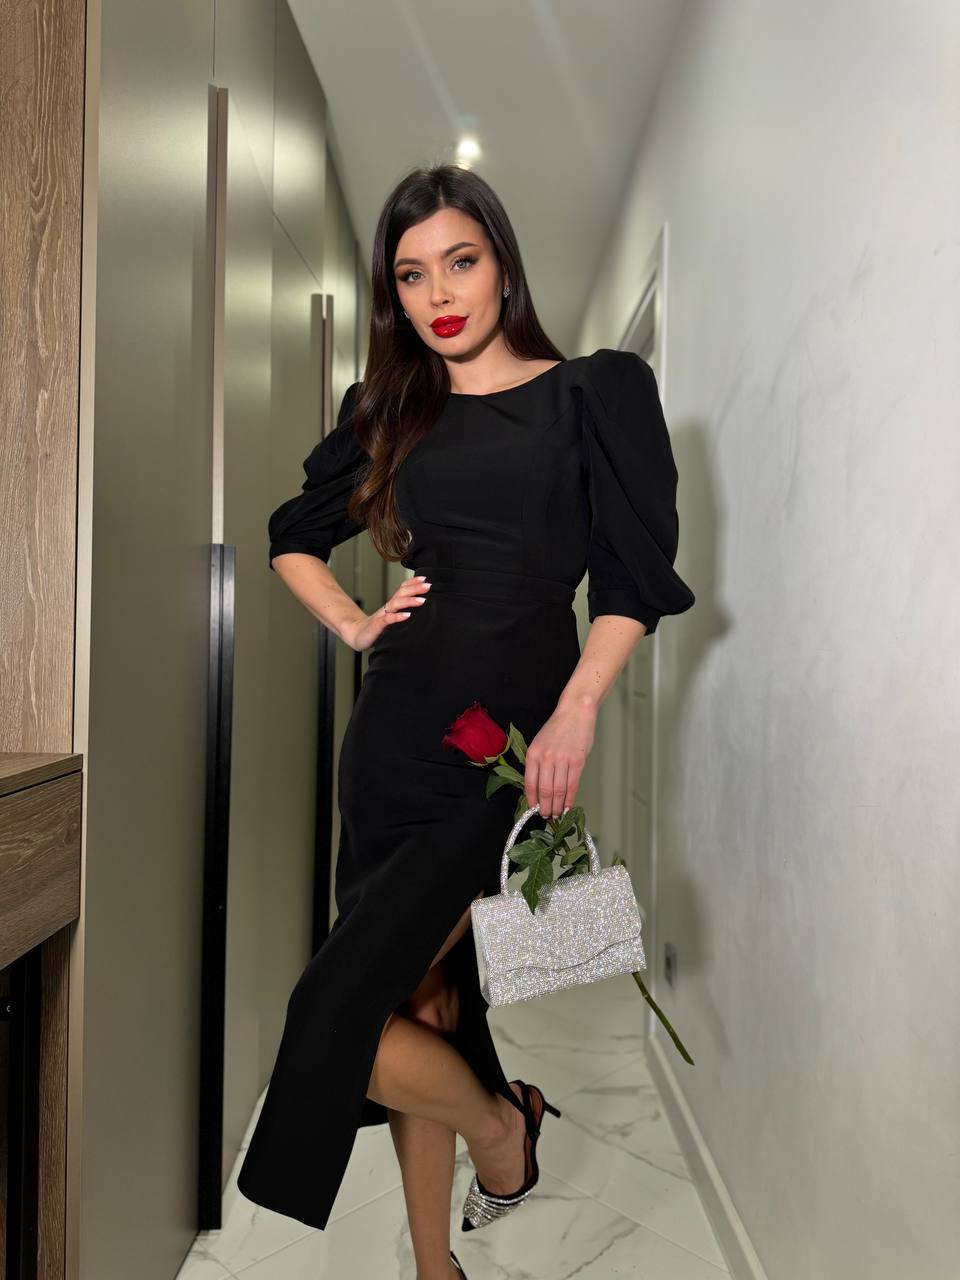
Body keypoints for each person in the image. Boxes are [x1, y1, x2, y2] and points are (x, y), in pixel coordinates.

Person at [237, 163, 695, 1279]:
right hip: (391, 737)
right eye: (412, 273)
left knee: (336, 1015)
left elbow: (632, 581)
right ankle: (436, 1260)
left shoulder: (597, 391)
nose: (440, 291)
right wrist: (354, 623)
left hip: (502, 747)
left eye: (461, 259)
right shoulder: (393, 407)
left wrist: (577, 709)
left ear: (502, 262)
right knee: (422, 995)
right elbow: (292, 531)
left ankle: (502, 1129)